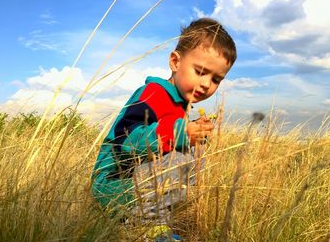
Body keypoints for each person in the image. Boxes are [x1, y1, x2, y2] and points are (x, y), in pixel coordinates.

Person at [91, 17, 237, 240]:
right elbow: (127, 140)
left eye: (216, 79)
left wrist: (194, 137)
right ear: (175, 62)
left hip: (136, 185)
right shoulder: (154, 94)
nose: (207, 84)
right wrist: (181, 132)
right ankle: (149, 228)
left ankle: (153, 221)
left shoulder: (180, 107)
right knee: (181, 160)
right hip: (112, 184)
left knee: (194, 158)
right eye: (200, 72)